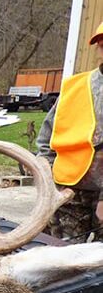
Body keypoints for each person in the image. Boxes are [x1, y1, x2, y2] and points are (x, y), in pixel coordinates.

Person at [36, 22, 103, 242]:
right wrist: (46, 180)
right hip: (69, 193)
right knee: (61, 260)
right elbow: (47, 139)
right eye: (102, 44)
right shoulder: (75, 87)